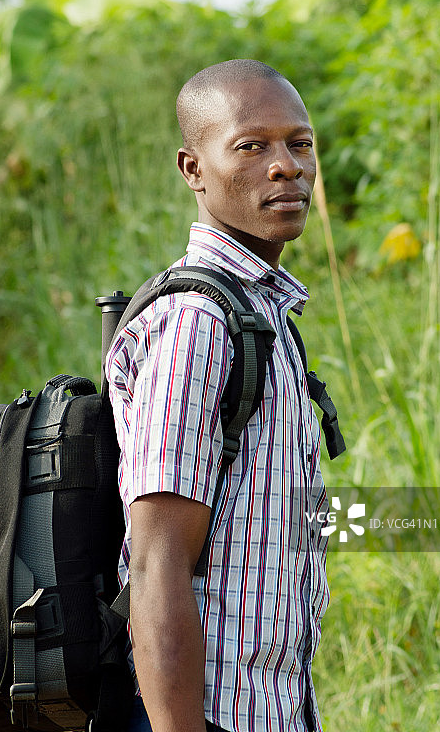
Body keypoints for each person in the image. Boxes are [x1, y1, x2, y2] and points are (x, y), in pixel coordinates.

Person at [107, 59, 331, 732]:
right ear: (192, 168)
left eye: (300, 142)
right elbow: (155, 562)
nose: (286, 166)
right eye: (251, 145)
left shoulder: (265, 315)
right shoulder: (198, 324)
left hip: (272, 711)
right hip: (209, 716)